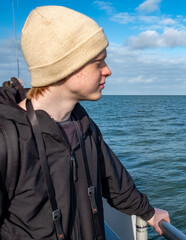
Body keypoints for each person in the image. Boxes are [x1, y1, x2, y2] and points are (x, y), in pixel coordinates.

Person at [0, 5, 169, 239]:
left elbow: (114, 181)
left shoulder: (83, 125)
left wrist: (149, 213)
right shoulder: (8, 138)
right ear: (65, 66)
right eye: (99, 63)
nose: (108, 71)